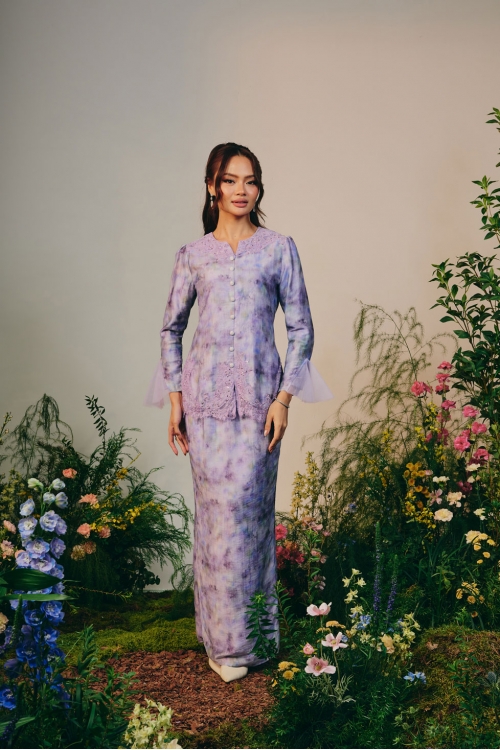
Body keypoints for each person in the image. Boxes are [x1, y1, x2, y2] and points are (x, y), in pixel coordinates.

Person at [144, 142, 333, 682]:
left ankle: (253, 640)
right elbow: (171, 328)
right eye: (231, 180)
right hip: (203, 407)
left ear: (259, 188)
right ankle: (219, 641)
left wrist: (284, 399)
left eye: (250, 180)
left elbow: (301, 327)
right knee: (215, 522)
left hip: (259, 406)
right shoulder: (192, 255)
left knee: (249, 520)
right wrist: (175, 399)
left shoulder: (278, 250)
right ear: (212, 186)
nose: (241, 190)